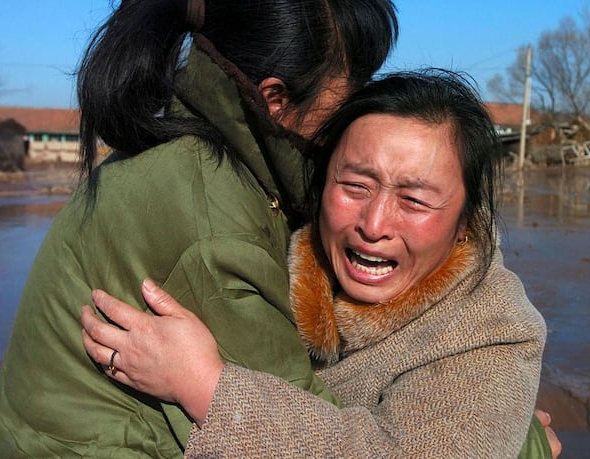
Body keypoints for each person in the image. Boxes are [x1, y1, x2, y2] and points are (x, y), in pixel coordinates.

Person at [0, 0, 398, 457]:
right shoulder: (211, 218)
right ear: (276, 101)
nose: (357, 119)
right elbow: (298, 431)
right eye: (347, 100)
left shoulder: (202, 154)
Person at [81, 71, 556, 457]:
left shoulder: (494, 330)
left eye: (413, 200)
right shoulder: (272, 251)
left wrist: (206, 386)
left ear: (464, 225)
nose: (373, 224)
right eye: (355, 185)